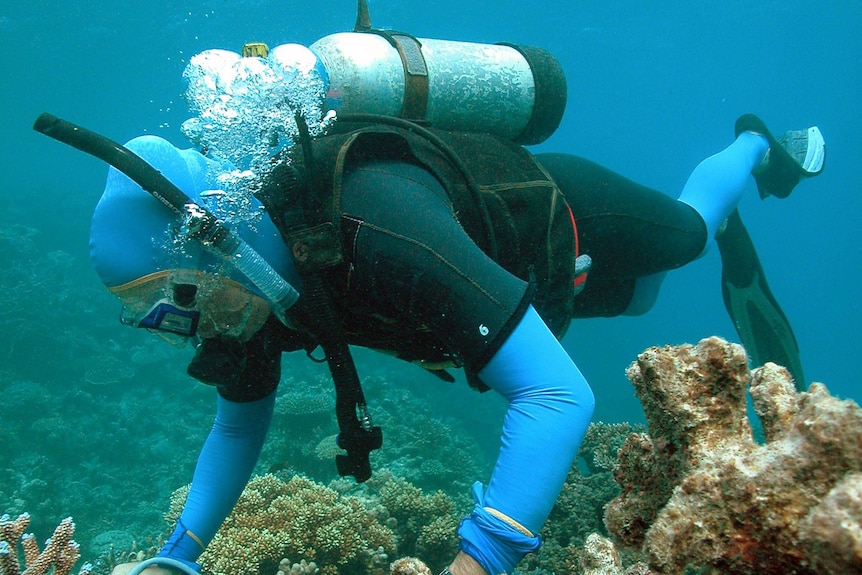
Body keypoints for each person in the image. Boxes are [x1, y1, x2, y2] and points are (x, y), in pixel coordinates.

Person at [79, 29, 826, 575]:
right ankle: (710, 224)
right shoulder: (251, 291)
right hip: (523, 288)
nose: (187, 328)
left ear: (218, 239)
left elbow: (559, 392)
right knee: (636, 302)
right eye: (155, 319)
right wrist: (173, 560)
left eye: (175, 300)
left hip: (568, 216)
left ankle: (757, 146)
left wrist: (482, 558)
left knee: (687, 232)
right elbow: (239, 430)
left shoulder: (373, 221)